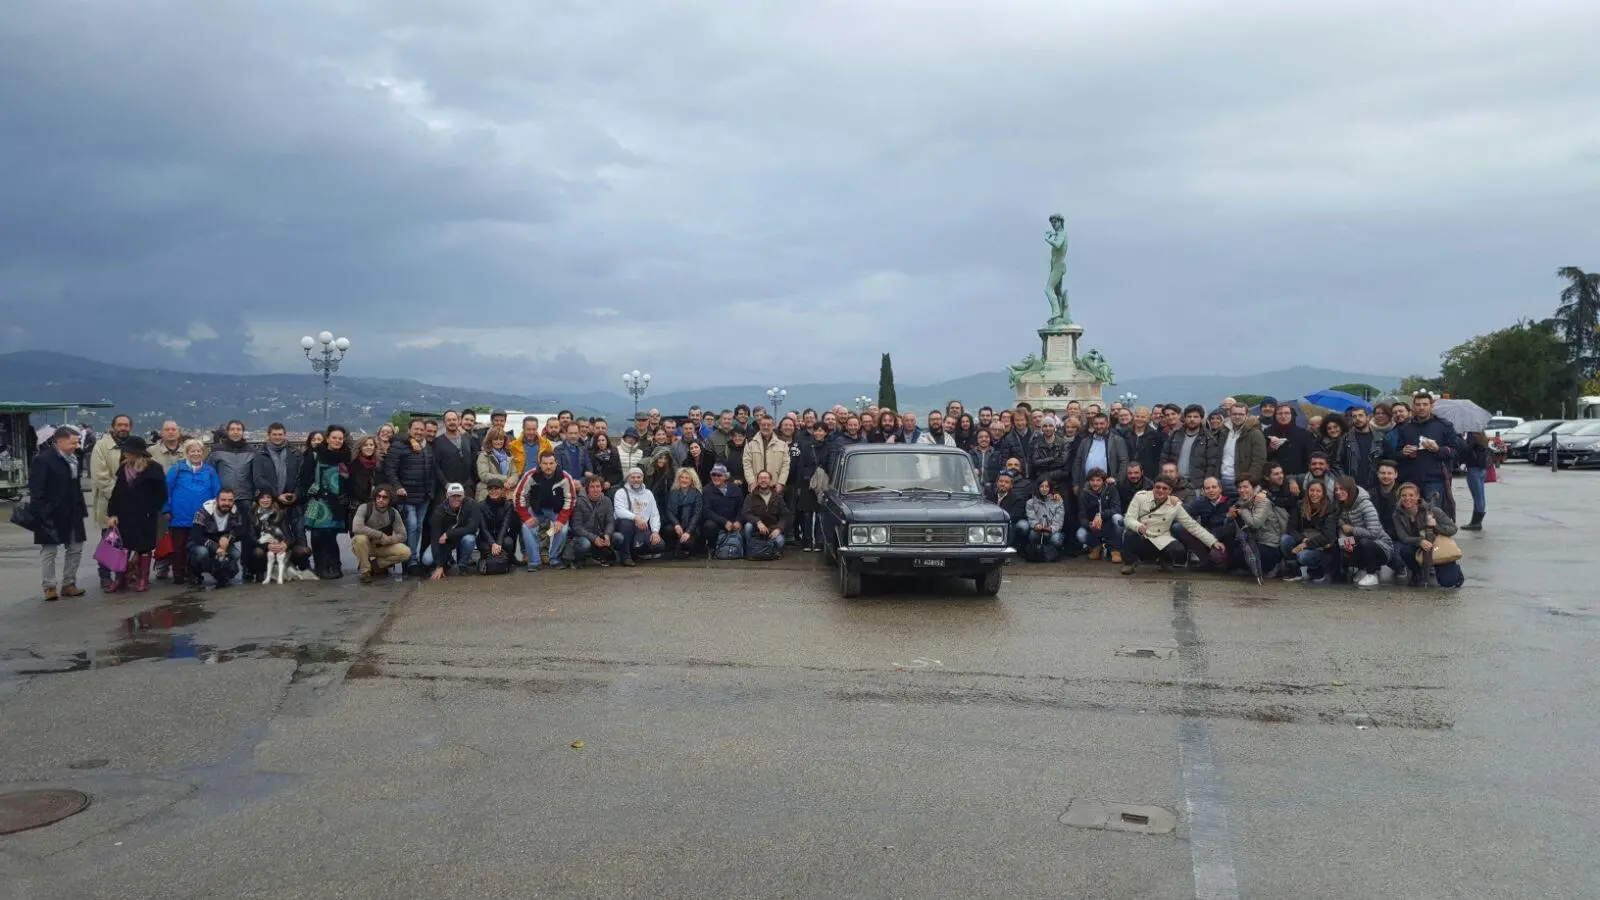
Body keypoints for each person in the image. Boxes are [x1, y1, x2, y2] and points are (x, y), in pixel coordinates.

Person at [31, 427, 89, 601]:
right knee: (49, 550)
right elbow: (36, 489)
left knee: (76, 547)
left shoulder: (76, 458)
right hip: (50, 511)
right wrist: (40, 512)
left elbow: (76, 485)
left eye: (77, 442)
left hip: (73, 509)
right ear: (60, 441)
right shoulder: (43, 459)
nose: (76, 445)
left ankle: (69, 583)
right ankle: (49, 586)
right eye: (73, 442)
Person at [1121, 476, 1224, 574]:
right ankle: (1130, 563)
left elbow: (1193, 526)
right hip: (1142, 534)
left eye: (1165, 488)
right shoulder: (1140, 497)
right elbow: (1128, 518)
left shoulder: (1175, 505)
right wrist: (1138, 526)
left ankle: (1164, 560)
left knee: (1178, 549)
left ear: (1170, 491)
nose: (1160, 490)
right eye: (1158, 487)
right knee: (1130, 534)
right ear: (1153, 487)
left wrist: (1213, 541)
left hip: (1160, 537)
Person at [105, 436, 168, 593]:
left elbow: (161, 494)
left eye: (128, 451)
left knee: (144, 548)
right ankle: (119, 580)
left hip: (145, 515)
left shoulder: (154, 469)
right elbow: (116, 494)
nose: (125, 454)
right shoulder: (123, 469)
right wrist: (112, 513)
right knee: (121, 548)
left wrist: (151, 509)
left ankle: (143, 580)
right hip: (124, 514)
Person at [163, 439, 219, 586]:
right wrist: (166, 509)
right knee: (178, 549)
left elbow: (216, 493)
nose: (196, 453)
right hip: (179, 516)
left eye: (198, 451)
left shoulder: (210, 471)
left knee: (197, 548)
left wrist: (215, 512)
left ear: (203, 453)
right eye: (192, 451)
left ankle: (194, 574)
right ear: (187, 453)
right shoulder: (176, 470)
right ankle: (178, 575)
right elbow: (165, 491)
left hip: (201, 519)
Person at [298, 424, 351, 579]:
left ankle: (335, 565)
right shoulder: (315, 454)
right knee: (317, 534)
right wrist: (309, 494)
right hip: (318, 500)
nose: (337, 441)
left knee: (331, 535)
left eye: (340, 438)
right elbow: (304, 477)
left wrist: (345, 496)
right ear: (327, 439)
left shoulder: (346, 456)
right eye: (334, 438)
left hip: (337, 501)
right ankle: (320, 566)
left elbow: (350, 479)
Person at [383, 418, 437, 571]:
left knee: (418, 526)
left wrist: (431, 491)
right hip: (407, 496)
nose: (419, 432)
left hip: (424, 495)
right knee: (412, 526)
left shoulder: (426, 447)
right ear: (410, 430)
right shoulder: (399, 445)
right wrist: (397, 487)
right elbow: (390, 469)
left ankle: (412, 558)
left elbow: (432, 469)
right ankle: (411, 560)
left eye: (422, 430)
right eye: (416, 429)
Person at [1393, 392, 1458, 518]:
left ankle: (1433, 537)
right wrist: (1404, 453)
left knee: (1433, 515)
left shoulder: (1444, 426)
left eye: (1425, 404)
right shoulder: (1406, 427)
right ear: (1413, 407)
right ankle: (1415, 538)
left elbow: (1456, 451)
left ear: (1431, 406)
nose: (1421, 407)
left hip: (1434, 479)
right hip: (1411, 479)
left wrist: (1438, 449)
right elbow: (1396, 453)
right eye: (1418, 404)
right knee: (1411, 515)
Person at [1392, 482, 1464, 588]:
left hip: (1437, 547)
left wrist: (1436, 526)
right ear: (1399, 497)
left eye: (1411, 495)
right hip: (1417, 548)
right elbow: (1403, 537)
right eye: (1404, 495)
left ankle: (1457, 573)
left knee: (1448, 583)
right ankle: (1418, 573)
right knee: (1404, 551)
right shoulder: (1397, 515)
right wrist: (1420, 541)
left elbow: (1453, 529)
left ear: (1417, 497)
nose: (1407, 498)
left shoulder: (1433, 511)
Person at [514, 451, 577, 570]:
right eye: (545, 463)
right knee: (526, 528)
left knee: (562, 529)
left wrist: (561, 520)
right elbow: (518, 496)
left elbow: (571, 499)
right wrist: (526, 517)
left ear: (556, 463)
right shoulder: (530, 476)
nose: (548, 466)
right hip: (537, 511)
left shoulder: (565, 477)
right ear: (540, 464)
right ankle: (534, 561)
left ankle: (554, 558)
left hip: (556, 512)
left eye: (551, 463)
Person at [90, 414, 132, 588]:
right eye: (120, 425)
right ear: (113, 426)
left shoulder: (133, 444)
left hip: (131, 501)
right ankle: (105, 575)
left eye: (126, 425)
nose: (123, 428)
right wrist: (117, 494)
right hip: (109, 500)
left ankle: (121, 573)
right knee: (109, 539)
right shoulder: (102, 446)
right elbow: (100, 475)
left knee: (128, 538)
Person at [1332, 476, 1392, 587]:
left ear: (1350, 489)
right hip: (1357, 540)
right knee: (1338, 544)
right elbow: (1340, 525)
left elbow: (1374, 533)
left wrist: (1352, 529)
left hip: (1381, 546)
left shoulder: (1366, 505)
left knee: (1364, 542)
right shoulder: (1340, 505)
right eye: (1336, 489)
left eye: (1342, 489)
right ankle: (1357, 570)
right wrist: (1344, 540)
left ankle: (1372, 574)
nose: (1338, 492)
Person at [1227, 475, 1287, 576]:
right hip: (1254, 541)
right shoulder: (1241, 502)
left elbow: (1255, 524)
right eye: (1239, 487)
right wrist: (1231, 514)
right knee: (1232, 544)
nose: (1242, 490)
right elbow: (1232, 517)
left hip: (1269, 544)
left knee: (1247, 553)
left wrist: (1242, 511)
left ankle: (1273, 567)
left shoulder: (1262, 502)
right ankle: (1249, 569)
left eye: (1246, 487)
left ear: (1254, 488)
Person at [351, 484, 411, 583]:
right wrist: (379, 535)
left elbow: (403, 535)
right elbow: (357, 528)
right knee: (360, 538)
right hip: (364, 545)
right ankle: (365, 571)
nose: (380, 499)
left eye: (384, 497)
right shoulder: (365, 508)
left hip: (382, 545)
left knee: (406, 552)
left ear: (390, 499)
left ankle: (374, 566)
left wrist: (389, 540)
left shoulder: (393, 513)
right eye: (378, 496)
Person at [188, 489, 248, 589]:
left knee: (236, 554)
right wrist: (215, 547)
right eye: (223, 500)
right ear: (216, 500)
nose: (227, 503)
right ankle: (195, 573)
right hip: (202, 542)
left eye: (230, 500)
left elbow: (241, 530)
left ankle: (223, 575)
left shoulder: (235, 511)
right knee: (201, 553)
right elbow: (196, 535)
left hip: (223, 542)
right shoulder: (203, 511)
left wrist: (228, 537)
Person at [1283, 480, 1338, 584]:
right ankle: (1295, 570)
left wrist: (1306, 544)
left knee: (1303, 556)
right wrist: (1302, 539)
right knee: (1285, 540)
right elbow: (1290, 528)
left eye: (1318, 491)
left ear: (1323, 493)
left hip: (1322, 547)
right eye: (1312, 490)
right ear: (1307, 492)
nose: (1314, 494)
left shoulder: (1330, 509)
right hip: (1304, 540)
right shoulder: (1300, 505)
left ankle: (1317, 570)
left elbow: (1327, 536)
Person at [424, 483, 479, 579]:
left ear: (463, 496)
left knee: (470, 539)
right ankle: (445, 562)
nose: (456, 498)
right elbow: (435, 537)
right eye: (453, 496)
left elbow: (472, 528)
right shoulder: (439, 510)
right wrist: (439, 565)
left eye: (459, 495)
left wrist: (449, 533)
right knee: (426, 559)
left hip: (462, 537)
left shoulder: (472, 504)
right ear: (447, 496)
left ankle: (463, 565)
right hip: (445, 541)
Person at [611, 467, 664, 566]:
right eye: (633, 477)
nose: (636, 479)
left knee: (659, 545)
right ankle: (626, 556)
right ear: (628, 479)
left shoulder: (648, 493)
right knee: (626, 522)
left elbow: (654, 514)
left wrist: (655, 531)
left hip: (642, 528)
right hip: (625, 528)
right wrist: (636, 518)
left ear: (642, 478)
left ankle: (636, 552)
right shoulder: (621, 492)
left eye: (638, 477)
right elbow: (619, 511)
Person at [790, 422, 828, 551]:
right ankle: (807, 541)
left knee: (819, 513)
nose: (818, 433)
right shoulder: (806, 446)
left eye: (821, 431)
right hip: (807, 483)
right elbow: (800, 465)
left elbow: (830, 466)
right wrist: (800, 484)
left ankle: (819, 542)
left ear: (826, 433)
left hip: (822, 484)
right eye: (816, 430)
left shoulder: (829, 447)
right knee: (806, 514)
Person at [1181, 476, 1234, 569]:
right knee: (1179, 527)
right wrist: (1174, 502)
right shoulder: (1200, 502)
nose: (1211, 490)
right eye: (1207, 488)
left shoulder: (1230, 501)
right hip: (1207, 536)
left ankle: (1227, 563)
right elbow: (1183, 511)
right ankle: (1205, 561)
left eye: (1214, 487)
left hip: (1226, 537)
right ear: (1203, 491)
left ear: (1220, 489)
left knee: (1217, 557)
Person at [1162, 404, 1221, 487]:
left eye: (1196, 417)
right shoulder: (1175, 435)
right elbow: (1164, 458)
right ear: (1184, 418)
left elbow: (1212, 465)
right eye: (1189, 417)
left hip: (1197, 485)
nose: (1192, 419)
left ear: (1201, 419)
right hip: (1174, 482)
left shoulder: (1209, 438)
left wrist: (1207, 484)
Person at [1219, 404, 1267, 497]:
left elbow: (1259, 461)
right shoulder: (1223, 432)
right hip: (1221, 482)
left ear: (1247, 415)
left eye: (1241, 414)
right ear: (1229, 414)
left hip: (1241, 484)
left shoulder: (1255, 434)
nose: (1237, 417)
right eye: (1234, 414)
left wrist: (1249, 482)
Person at [1072, 413, 1129, 493]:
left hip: (1108, 485)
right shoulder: (1085, 441)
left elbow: (1124, 462)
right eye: (1096, 424)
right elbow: (1077, 462)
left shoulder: (1117, 440)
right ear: (1093, 425)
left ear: (1107, 424)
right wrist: (1076, 483)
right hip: (1087, 485)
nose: (1099, 426)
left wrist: (1117, 479)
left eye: (1102, 423)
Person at [566, 477, 615, 568]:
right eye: (592, 487)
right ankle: (578, 560)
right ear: (587, 488)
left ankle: (600, 557)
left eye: (598, 486)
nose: (595, 489)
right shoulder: (579, 501)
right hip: (584, 536)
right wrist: (594, 538)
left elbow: (610, 521)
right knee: (585, 544)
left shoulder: (607, 501)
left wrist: (607, 535)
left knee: (618, 538)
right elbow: (576, 527)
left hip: (601, 535)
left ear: (602, 488)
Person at [1075, 468, 1122, 561]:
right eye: (1092, 480)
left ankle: (1116, 551)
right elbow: (1081, 516)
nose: (1095, 483)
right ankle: (1096, 547)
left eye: (1098, 480)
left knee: (1118, 518)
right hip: (1094, 525)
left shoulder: (1111, 488)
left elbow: (1117, 508)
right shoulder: (1084, 493)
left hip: (1109, 522)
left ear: (1103, 481)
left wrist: (1101, 515)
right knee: (1080, 534)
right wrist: (1089, 524)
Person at [740, 470, 791, 555]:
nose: (763, 480)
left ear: (770, 481)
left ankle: (767, 551)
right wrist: (758, 522)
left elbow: (785, 515)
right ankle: (751, 550)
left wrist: (779, 529)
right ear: (757, 481)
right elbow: (745, 513)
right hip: (756, 530)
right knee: (748, 526)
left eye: (766, 478)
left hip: (773, 530)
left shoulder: (778, 497)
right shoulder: (750, 496)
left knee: (780, 542)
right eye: (761, 478)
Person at [475, 477, 519, 573]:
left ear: (502, 490)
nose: (493, 491)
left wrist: (498, 543)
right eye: (491, 489)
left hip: (501, 536)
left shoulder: (508, 505)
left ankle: (508, 560)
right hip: (485, 537)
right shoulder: (480, 506)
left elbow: (505, 526)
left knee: (508, 543)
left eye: (497, 489)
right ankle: (485, 561)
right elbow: (483, 528)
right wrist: (493, 543)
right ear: (487, 490)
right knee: (487, 548)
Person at [700, 464, 744, 552]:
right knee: (709, 525)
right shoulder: (706, 490)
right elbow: (707, 511)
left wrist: (739, 521)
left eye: (719, 475)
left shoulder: (735, 488)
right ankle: (712, 548)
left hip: (733, 522)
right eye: (713, 475)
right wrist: (724, 522)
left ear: (725, 476)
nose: (716, 477)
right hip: (717, 522)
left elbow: (741, 508)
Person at [432, 411, 476, 500]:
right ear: (444, 423)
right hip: (447, 488)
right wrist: (445, 483)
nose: (452, 422)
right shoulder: (437, 442)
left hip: (467, 487)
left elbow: (474, 459)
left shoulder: (467, 438)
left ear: (459, 421)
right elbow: (435, 465)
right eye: (449, 420)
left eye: (454, 419)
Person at [663, 468, 704, 558]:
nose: (684, 480)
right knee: (667, 530)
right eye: (682, 477)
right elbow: (669, 511)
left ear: (692, 480)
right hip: (677, 526)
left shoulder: (697, 494)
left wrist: (688, 532)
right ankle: (674, 548)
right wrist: (676, 524)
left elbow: (697, 514)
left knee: (688, 544)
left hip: (691, 527)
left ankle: (685, 548)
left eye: (687, 478)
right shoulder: (673, 492)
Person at [743, 417, 791, 493]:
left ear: (773, 426)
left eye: (768, 425)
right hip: (756, 487)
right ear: (759, 426)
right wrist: (751, 482)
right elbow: (747, 464)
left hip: (775, 487)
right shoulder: (750, 443)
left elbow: (785, 465)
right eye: (763, 425)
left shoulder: (782, 443)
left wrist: (781, 483)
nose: (766, 427)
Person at [1023, 477, 1066, 559]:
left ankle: (1053, 551)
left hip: (1052, 531)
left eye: (1047, 486)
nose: (1044, 489)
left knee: (1056, 540)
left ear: (1050, 488)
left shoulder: (1057, 500)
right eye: (1041, 486)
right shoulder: (1030, 502)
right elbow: (1031, 518)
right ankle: (1037, 552)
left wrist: (1050, 528)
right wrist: (1036, 525)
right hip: (1038, 531)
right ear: (1038, 487)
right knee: (1032, 535)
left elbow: (1059, 520)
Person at [1265, 405, 1313, 477]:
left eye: (1287, 413)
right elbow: (1263, 456)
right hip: (1274, 477)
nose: (1283, 416)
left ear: (1292, 415)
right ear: (1275, 416)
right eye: (1280, 413)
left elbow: (1309, 456)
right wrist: (1271, 448)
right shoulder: (1267, 432)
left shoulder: (1303, 433)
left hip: (1298, 476)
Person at [347, 436, 382, 527]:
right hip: (357, 506)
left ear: (375, 447)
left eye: (371, 445)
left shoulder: (379, 464)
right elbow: (352, 487)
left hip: (377, 506)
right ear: (360, 447)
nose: (369, 447)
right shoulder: (353, 464)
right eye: (365, 445)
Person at [1459, 431, 1491, 531]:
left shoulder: (1472, 436)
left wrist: (1461, 440)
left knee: (1477, 496)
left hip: (1474, 468)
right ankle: (1477, 521)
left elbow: (1466, 450)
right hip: (1482, 468)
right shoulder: (1482, 435)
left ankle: (1476, 522)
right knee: (1480, 495)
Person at [1123, 407, 1164, 478]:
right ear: (1133, 417)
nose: (1139, 419)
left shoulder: (1155, 435)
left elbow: (1158, 457)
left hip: (1148, 475)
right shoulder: (1125, 433)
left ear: (1148, 419)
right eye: (1137, 416)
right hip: (1129, 474)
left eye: (1143, 417)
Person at [475, 428, 515, 501]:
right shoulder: (484, 455)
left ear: (504, 440)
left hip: (506, 493)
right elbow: (484, 475)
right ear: (490, 441)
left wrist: (511, 482)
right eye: (495, 439)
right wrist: (505, 479)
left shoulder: (509, 455)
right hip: (487, 493)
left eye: (501, 439)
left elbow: (514, 473)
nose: (498, 442)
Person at [993, 471, 1030, 546]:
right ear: (997, 483)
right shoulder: (990, 495)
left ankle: (1011, 547)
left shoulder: (1017, 499)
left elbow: (1015, 516)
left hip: (1010, 523)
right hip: (992, 522)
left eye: (1006, 482)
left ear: (1011, 485)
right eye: (1001, 481)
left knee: (1022, 526)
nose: (1003, 484)